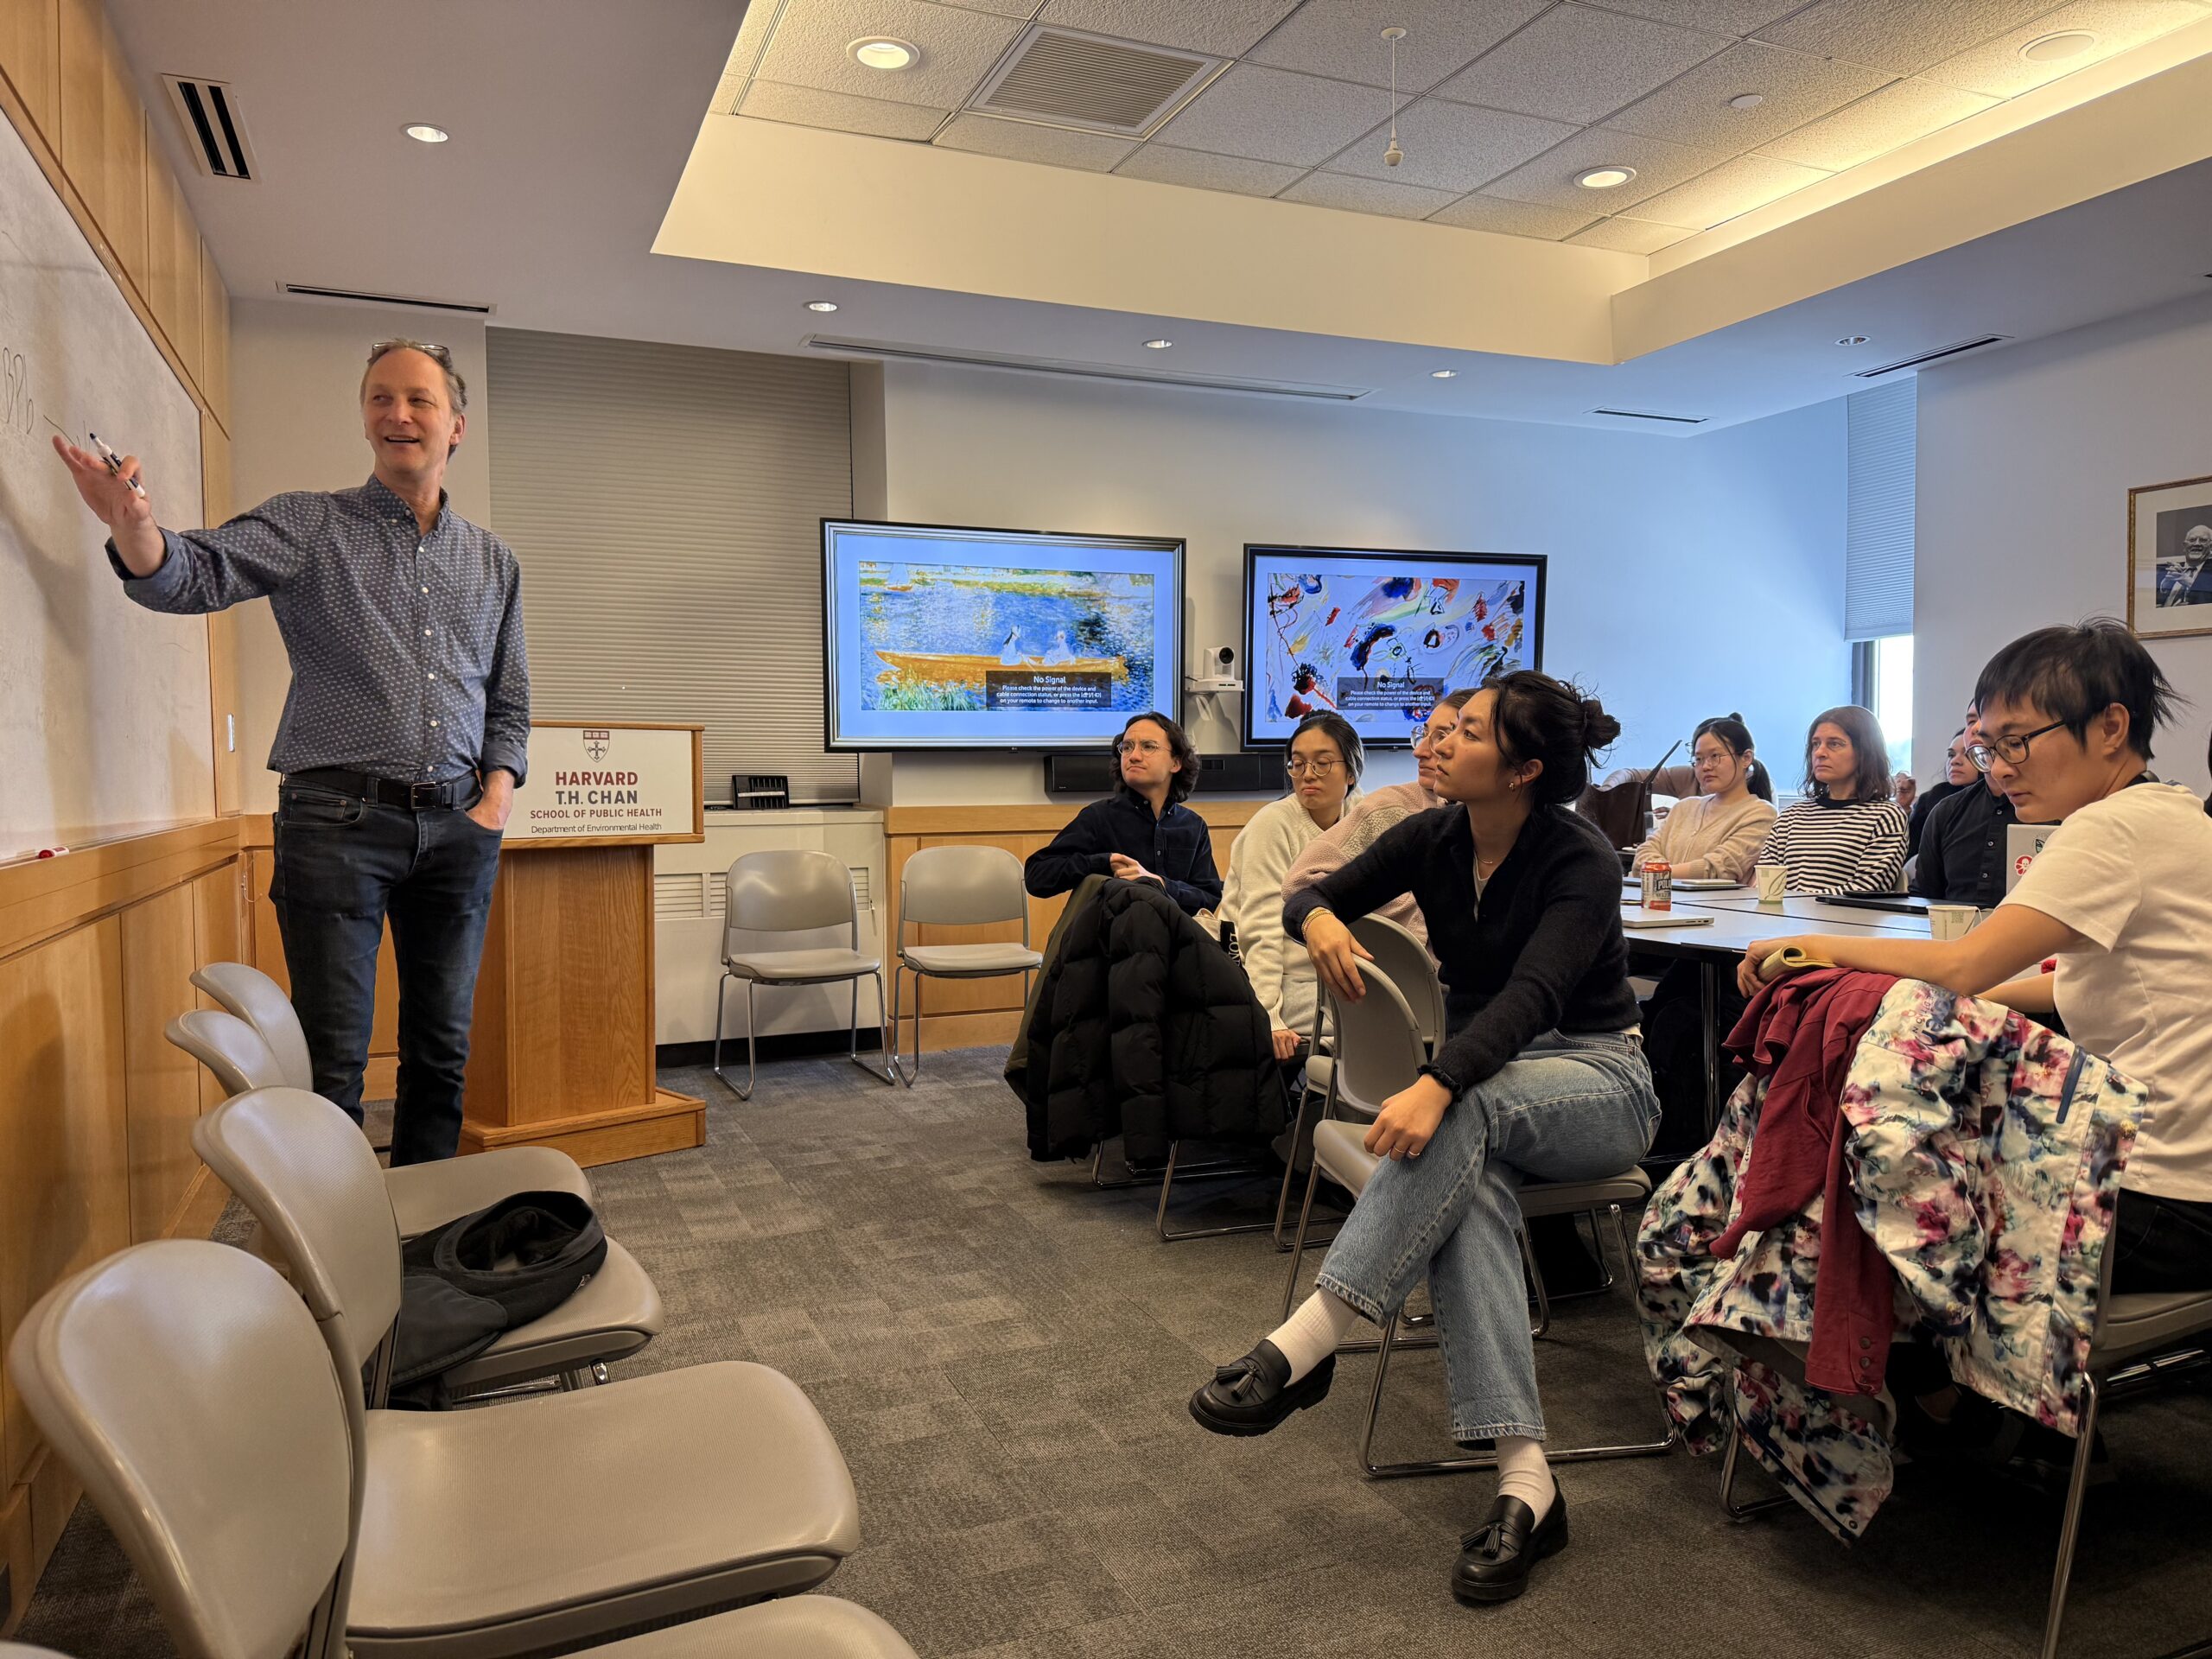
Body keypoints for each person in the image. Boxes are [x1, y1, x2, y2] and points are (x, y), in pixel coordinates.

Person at [1187, 671, 1656, 1606]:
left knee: (1461, 1112)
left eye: (1466, 732)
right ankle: (1528, 1487)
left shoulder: (1581, 859)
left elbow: (1531, 1003)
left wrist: (1439, 1083)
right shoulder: (1437, 836)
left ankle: (1307, 1343)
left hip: (1598, 1080)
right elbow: (1305, 895)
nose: (1437, 741)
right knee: (1468, 1189)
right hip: (1489, 1080)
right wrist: (1317, 917)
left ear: (1521, 769)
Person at [53, 340, 528, 1166]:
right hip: (336, 825)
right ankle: (341, 1257)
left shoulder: (492, 560)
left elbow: (509, 699)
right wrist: (136, 531)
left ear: (457, 425)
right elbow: (194, 575)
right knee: (335, 1065)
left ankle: (421, 1236)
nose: (396, 414)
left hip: (458, 831)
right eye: (380, 398)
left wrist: (495, 794)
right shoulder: (312, 524)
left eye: (417, 400)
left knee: (442, 1055)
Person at [1741, 620, 2211, 1302]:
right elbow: (2055, 988)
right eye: (1988, 747)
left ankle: (1933, 1400)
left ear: (2112, 727)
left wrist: (1815, 948)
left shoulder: (2110, 828)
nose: (2001, 767)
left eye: (2017, 741)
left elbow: (1965, 966)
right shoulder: (2176, 814)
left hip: (2154, 1200)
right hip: (2179, 1186)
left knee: (1858, 1198)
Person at [1281, 689, 1473, 950]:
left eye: (1442, 736)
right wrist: (1404, 899)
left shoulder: (1511, 831)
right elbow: (1300, 883)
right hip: (1398, 979)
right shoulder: (1390, 809)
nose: (1420, 751)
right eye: (1425, 733)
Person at [1221, 712, 1363, 1062]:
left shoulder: (1364, 816)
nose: (1307, 775)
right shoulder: (1274, 825)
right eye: (1297, 764)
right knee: (1381, 1024)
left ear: (1352, 772)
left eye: (1322, 763)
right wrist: (1267, 1014)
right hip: (1277, 978)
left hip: (1335, 973)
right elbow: (1261, 926)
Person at [1025, 711, 1220, 915]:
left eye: (1148, 746)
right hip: (1113, 941)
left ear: (1176, 763)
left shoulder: (1194, 826)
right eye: (1127, 747)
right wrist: (1103, 862)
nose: (1134, 756)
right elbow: (1037, 876)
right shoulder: (1099, 817)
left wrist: (1161, 885)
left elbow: (1211, 899)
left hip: (1179, 940)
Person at [1753, 706, 1908, 894]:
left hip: (1846, 921)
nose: (1820, 753)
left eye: (1834, 744)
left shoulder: (1885, 816)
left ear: (1864, 753)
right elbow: (1766, 884)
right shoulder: (1791, 817)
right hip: (1785, 919)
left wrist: (1800, 908)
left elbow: (1868, 889)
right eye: (1815, 744)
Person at [1626, 714, 1776, 883]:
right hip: (1659, 904)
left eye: (1715, 756)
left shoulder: (1760, 813)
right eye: (1698, 759)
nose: (1705, 766)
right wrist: (1660, 871)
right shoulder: (1684, 808)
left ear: (1746, 758)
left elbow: (1718, 869)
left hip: (1715, 908)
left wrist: (1655, 872)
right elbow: (1643, 855)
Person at [1910, 703, 2019, 909]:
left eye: (1986, 718)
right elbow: (1925, 895)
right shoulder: (1946, 811)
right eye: (1970, 721)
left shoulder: (2053, 808)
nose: (1977, 728)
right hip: (1951, 937)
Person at [1904, 726, 1974, 857]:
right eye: (1951, 755)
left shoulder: (1993, 802)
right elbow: (1910, 855)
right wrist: (1904, 807)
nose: (1954, 761)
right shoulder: (1930, 799)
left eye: (1968, 754)